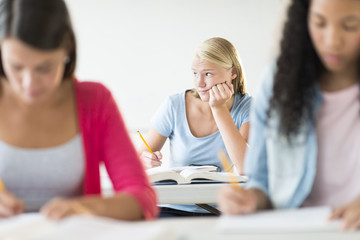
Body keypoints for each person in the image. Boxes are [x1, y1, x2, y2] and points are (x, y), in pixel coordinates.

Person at [0, 0, 158, 220]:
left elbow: (142, 197)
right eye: (16, 67)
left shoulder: (95, 102)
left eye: (44, 68)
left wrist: (85, 208)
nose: (29, 83)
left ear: (67, 49)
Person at [217, 0, 360, 231]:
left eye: (351, 26)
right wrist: (250, 200)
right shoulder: (279, 80)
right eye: (319, 23)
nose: (333, 41)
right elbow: (261, 182)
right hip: (297, 231)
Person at [138, 37, 252, 217]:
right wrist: (145, 161)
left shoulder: (246, 108)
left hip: (218, 209)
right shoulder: (174, 105)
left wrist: (219, 108)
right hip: (171, 207)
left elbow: (246, 167)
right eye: (195, 73)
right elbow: (138, 160)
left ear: (233, 73)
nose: (199, 83)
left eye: (208, 74)